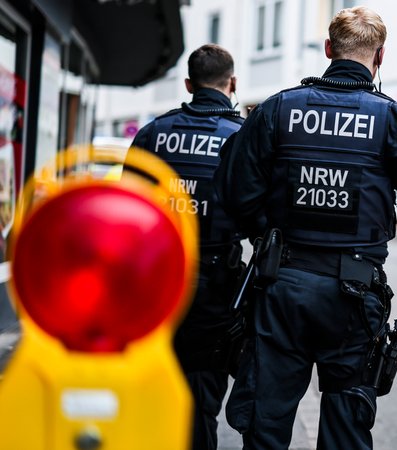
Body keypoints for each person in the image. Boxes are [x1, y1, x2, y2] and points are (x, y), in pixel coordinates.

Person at [214, 6, 397, 449]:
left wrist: (270, 232)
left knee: (265, 426)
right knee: (345, 430)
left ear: (329, 50)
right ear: (380, 56)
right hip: (354, 296)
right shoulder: (396, 121)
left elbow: (232, 194)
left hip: (281, 289)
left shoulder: (277, 110)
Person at [124, 44, 245, 450]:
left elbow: (127, 209)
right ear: (232, 83)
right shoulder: (241, 138)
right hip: (215, 286)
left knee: (148, 387)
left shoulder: (153, 133)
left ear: (189, 84)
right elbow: (259, 216)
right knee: (199, 401)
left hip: (153, 282)